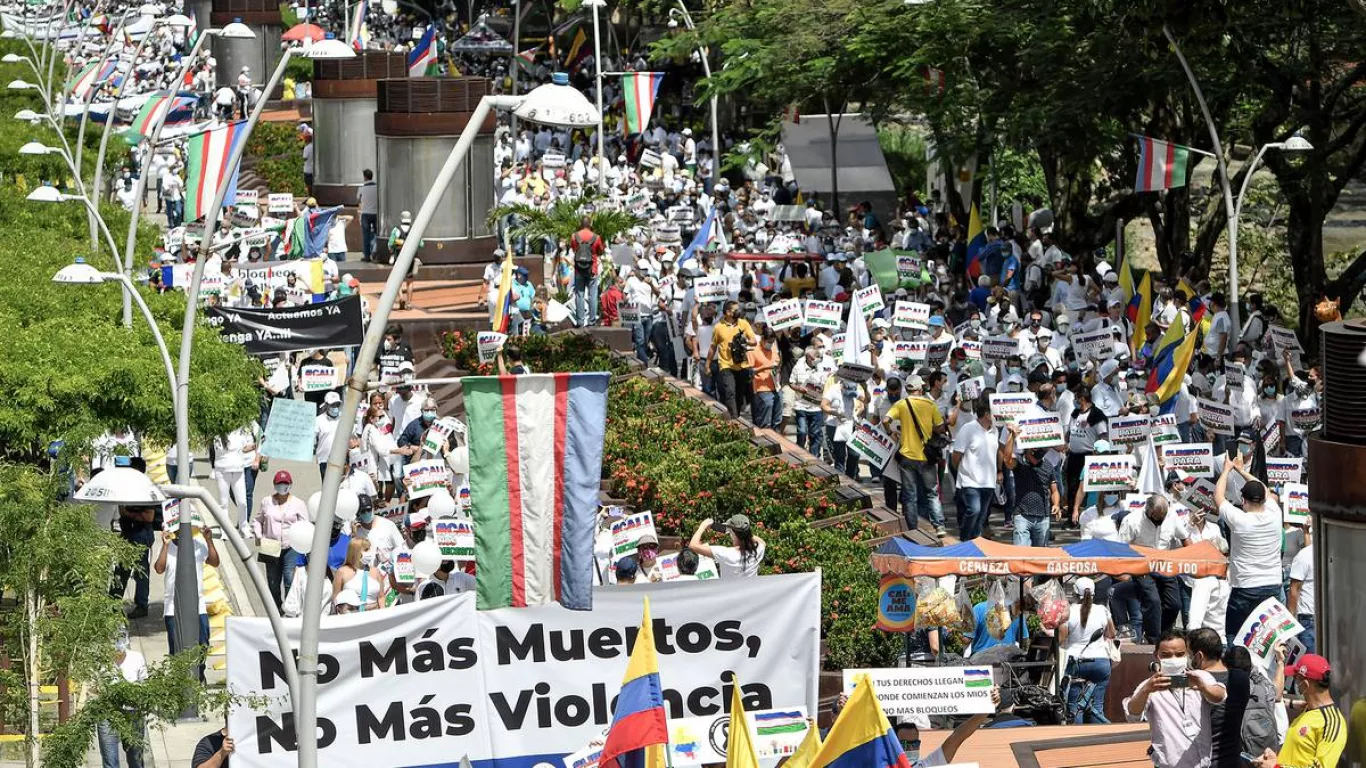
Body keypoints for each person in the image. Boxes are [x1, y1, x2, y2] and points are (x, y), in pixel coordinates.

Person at [1124, 630, 1228, 768]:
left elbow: (1220, 696)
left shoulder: (1199, 677)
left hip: (1202, 764)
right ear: (1156, 655)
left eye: (1179, 654)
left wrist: (1203, 687)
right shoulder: (1149, 686)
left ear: (1187, 654)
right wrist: (1146, 690)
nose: (1173, 659)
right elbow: (1132, 714)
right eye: (1166, 655)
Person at [1215, 455, 1284, 646]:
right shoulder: (1275, 514)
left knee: (1235, 636)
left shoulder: (1240, 519)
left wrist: (1227, 470)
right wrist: (1241, 470)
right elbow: (1264, 489)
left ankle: (1237, 664)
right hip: (1272, 585)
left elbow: (1218, 497)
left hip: (1245, 587)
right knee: (1268, 639)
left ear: (1242, 500)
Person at [1252, 655, 1347, 768]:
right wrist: (1275, 760)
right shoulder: (1308, 710)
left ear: (1305, 684)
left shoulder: (1331, 723)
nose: (1295, 682)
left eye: (1295, 678)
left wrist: (1275, 767)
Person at [883, 375, 947, 537]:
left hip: (907, 456)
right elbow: (940, 427)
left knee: (910, 495)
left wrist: (890, 433)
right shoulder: (930, 404)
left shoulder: (901, 404)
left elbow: (885, 420)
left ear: (907, 389)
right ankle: (939, 525)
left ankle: (912, 528)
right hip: (926, 456)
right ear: (920, 388)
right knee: (932, 493)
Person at [153, 523, 219, 664]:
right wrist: (165, 545)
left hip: (197, 604)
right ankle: (178, 674)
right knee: (176, 646)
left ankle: (200, 672)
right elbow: (159, 568)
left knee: (202, 642)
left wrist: (209, 540)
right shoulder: (168, 547)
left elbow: (214, 562)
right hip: (173, 606)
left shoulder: (198, 544)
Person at [893, 686, 1001, 766]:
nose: (911, 748)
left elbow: (957, 736)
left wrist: (988, 708)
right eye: (905, 744)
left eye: (915, 744)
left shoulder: (927, 765)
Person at [1059, 576, 1115, 724]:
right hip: (1101, 662)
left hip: (1077, 663)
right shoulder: (1102, 610)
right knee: (1096, 706)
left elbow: (1061, 638)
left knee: (1074, 706)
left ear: (1074, 593)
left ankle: (1076, 736)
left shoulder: (1069, 611)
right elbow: (1111, 634)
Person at [253, 470, 308, 610]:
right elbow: (257, 520)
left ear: (290, 484)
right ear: (274, 485)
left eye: (285, 483)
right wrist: (259, 536)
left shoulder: (298, 503)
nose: (282, 486)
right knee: (273, 581)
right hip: (270, 545)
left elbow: (305, 524)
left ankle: (290, 608)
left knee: (289, 578)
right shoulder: (266, 502)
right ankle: (276, 609)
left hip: (291, 547)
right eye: (279, 483)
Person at [950, 398, 1002, 541]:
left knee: (982, 516)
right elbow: (956, 455)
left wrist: (999, 471)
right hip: (970, 481)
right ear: (987, 414)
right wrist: (963, 471)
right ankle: (965, 539)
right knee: (974, 510)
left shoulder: (995, 430)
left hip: (988, 482)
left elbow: (997, 452)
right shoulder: (968, 429)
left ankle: (975, 542)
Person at [1003, 425, 1062, 546]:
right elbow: (1007, 459)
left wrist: (1056, 504)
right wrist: (1012, 436)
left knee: (1040, 553)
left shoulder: (1048, 466)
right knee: (1021, 552)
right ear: (1028, 449)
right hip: (1022, 515)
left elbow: (1054, 490)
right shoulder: (1019, 462)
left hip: (1043, 517)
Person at [97, 632, 147, 768]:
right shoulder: (101, 660)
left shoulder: (137, 658)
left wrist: (135, 694)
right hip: (107, 713)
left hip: (133, 712)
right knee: (110, 760)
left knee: (136, 758)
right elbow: (93, 687)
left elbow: (145, 685)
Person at [708, 300, 758, 419]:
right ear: (728, 312)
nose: (738, 311)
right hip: (726, 365)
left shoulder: (743, 323)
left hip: (742, 365)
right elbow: (713, 347)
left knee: (739, 396)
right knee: (730, 392)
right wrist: (707, 364)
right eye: (736, 310)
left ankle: (737, 415)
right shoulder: (718, 327)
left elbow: (754, 341)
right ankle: (734, 418)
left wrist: (745, 341)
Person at [689, 514, 765, 578]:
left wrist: (703, 526)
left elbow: (693, 546)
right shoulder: (758, 550)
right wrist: (743, 532)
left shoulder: (726, 554)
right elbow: (762, 542)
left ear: (733, 534)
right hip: (751, 591)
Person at [570, 215, 604, 327]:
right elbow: (601, 251)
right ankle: (592, 321)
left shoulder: (574, 236)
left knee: (579, 295)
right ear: (590, 224)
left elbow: (574, 249)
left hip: (579, 269)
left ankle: (580, 321)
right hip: (592, 268)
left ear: (581, 224)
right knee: (592, 295)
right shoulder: (596, 237)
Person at [1287, 527, 1316, 655]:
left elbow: (1294, 589)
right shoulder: (1304, 556)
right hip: (1309, 617)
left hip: (1312, 617)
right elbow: (1294, 590)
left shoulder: (1304, 555)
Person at [315, 391, 344, 480]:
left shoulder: (344, 418)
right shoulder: (318, 420)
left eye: (337, 404)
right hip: (324, 459)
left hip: (341, 459)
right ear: (326, 405)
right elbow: (312, 439)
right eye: (333, 405)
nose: (335, 407)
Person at [358, 168, 378, 261]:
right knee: (377, 234)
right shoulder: (377, 187)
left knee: (366, 236)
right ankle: (376, 253)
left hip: (365, 214)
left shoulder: (361, 188)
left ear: (365, 177)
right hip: (376, 213)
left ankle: (367, 256)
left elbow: (358, 199)